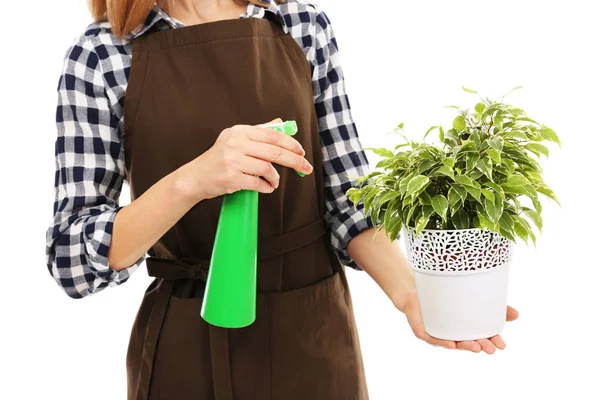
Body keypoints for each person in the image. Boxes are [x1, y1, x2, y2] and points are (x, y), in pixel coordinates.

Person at [45, 0, 519, 399]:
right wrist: (191, 180)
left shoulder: (300, 25)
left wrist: (410, 294)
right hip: (186, 347)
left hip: (313, 337)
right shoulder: (101, 56)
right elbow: (72, 261)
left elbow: (347, 200)